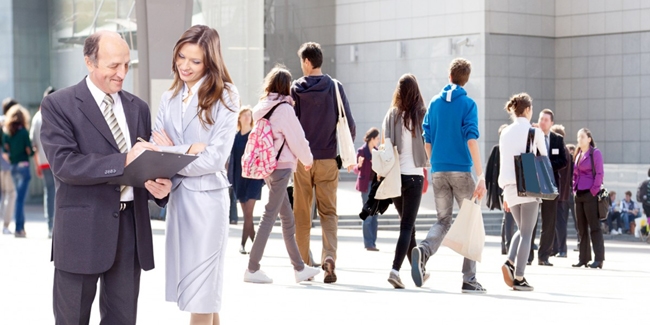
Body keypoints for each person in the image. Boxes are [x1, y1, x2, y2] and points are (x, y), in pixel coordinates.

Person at [41, 31, 172, 324]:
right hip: (81, 233)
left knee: (122, 319)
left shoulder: (138, 107)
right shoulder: (58, 105)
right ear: (89, 62)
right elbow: (65, 164)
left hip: (130, 230)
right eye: (114, 65)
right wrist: (125, 158)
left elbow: (143, 165)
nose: (122, 73)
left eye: (127, 64)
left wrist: (159, 188)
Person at [150, 25, 238, 325]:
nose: (185, 66)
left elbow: (215, 158)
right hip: (178, 203)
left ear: (209, 62)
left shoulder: (226, 95)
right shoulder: (169, 97)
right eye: (181, 57)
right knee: (201, 291)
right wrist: (190, 149)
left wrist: (174, 151)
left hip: (207, 204)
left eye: (195, 61)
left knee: (202, 291)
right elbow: (155, 151)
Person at [411, 58, 487, 293]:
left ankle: (423, 251)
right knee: (471, 222)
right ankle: (469, 279)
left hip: (439, 170)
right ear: (466, 79)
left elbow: (427, 137)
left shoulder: (434, 103)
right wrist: (481, 175)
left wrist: (434, 163)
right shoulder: (468, 104)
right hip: (462, 171)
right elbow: (471, 139)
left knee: (443, 220)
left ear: (449, 76)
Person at [243, 65, 321, 284]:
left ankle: (299, 268)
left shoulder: (262, 107)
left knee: (287, 218)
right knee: (269, 215)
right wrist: (308, 160)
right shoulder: (284, 109)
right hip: (282, 166)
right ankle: (252, 267)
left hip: (268, 167)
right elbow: (297, 137)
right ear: (286, 87)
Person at [291, 42, 356, 284]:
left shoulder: (296, 89)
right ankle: (329, 258)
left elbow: (289, 125)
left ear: (307, 62)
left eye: (302, 62)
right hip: (328, 159)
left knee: (302, 214)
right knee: (328, 213)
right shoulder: (335, 88)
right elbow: (349, 125)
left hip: (301, 161)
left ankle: (304, 266)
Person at [383, 74, 428, 289]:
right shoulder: (421, 115)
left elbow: (386, 145)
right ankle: (394, 269)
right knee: (407, 225)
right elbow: (428, 142)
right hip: (414, 176)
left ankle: (419, 270)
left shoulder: (391, 115)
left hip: (395, 177)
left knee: (409, 227)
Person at [498, 93, 547, 291]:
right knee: (527, 233)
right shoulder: (534, 132)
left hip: (509, 186)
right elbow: (543, 156)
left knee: (521, 229)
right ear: (527, 110)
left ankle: (510, 261)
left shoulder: (505, 132)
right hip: (528, 184)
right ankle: (519, 276)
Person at [529, 109, 567, 266]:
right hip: (534, 182)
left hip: (551, 183)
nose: (543, 122)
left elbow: (563, 161)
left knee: (549, 221)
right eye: (541, 119)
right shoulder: (531, 135)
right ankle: (528, 255)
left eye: (546, 120)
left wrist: (548, 166)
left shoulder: (557, 139)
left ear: (551, 123)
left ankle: (543, 256)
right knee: (530, 220)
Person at [228, 106, 265, 254]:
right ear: (239, 118)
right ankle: (256, 245)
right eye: (244, 115)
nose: (247, 118)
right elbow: (233, 160)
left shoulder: (255, 135)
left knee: (248, 213)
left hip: (254, 178)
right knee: (246, 215)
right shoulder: (235, 137)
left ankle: (243, 245)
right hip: (239, 179)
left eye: (249, 115)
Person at [571, 128, 605, 269]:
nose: (580, 139)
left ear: (589, 139)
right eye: (578, 137)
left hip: (590, 194)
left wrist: (594, 191)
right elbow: (575, 174)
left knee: (594, 227)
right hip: (578, 194)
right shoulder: (578, 154)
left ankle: (598, 259)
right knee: (581, 228)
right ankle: (583, 258)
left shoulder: (595, 153)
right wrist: (573, 188)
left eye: (583, 136)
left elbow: (600, 173)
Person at [2, 104, 33, 238]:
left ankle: (22, 227)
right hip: (23, 167)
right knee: (20, 199)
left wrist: (12, 158)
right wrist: (32, 151)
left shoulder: (7, 133)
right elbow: (29, 151)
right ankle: (19, 229)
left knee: (18, 199)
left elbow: (5, 152)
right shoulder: (24, 132)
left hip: (13, 167)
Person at [30, 86, 56, 238]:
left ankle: (50, 226)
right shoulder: (57, 115)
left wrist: (36, 164)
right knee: (60, 192)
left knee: (49, 192)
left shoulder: (37, 117)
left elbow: (33, 145)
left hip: (43, 161)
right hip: (58, 161)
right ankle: (58, 226)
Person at [486, 124, 514, 255]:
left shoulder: (512, 148)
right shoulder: (497, 149)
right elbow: (489, 170)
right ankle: (506, 245)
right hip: (501, 187)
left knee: (508, 216)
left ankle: (506, 245)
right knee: (508, 215)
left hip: (510, 185)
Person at [354, 127, 380, 251]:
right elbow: (355, 168)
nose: (379, 141)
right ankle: (368, 243)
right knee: (368, 214)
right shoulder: (361, 151)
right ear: (372, 139)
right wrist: (359, 165)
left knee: (375, 215)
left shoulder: (377, 151)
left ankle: (373, 242)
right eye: (377, 138)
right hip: (366, 186)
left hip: (375, 186)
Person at [550, 124, 571, 257]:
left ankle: (562, 249)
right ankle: (556, 248)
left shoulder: (563, 151)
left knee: (559, 222)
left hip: (560, 192)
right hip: (562, 192)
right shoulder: (566, 151)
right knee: (556, 221)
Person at [0, 109, 16, 235]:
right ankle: (5, 225)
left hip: (2, 167)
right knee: (10, 194)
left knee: (4, 194)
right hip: (7, 166)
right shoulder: (6, 125)